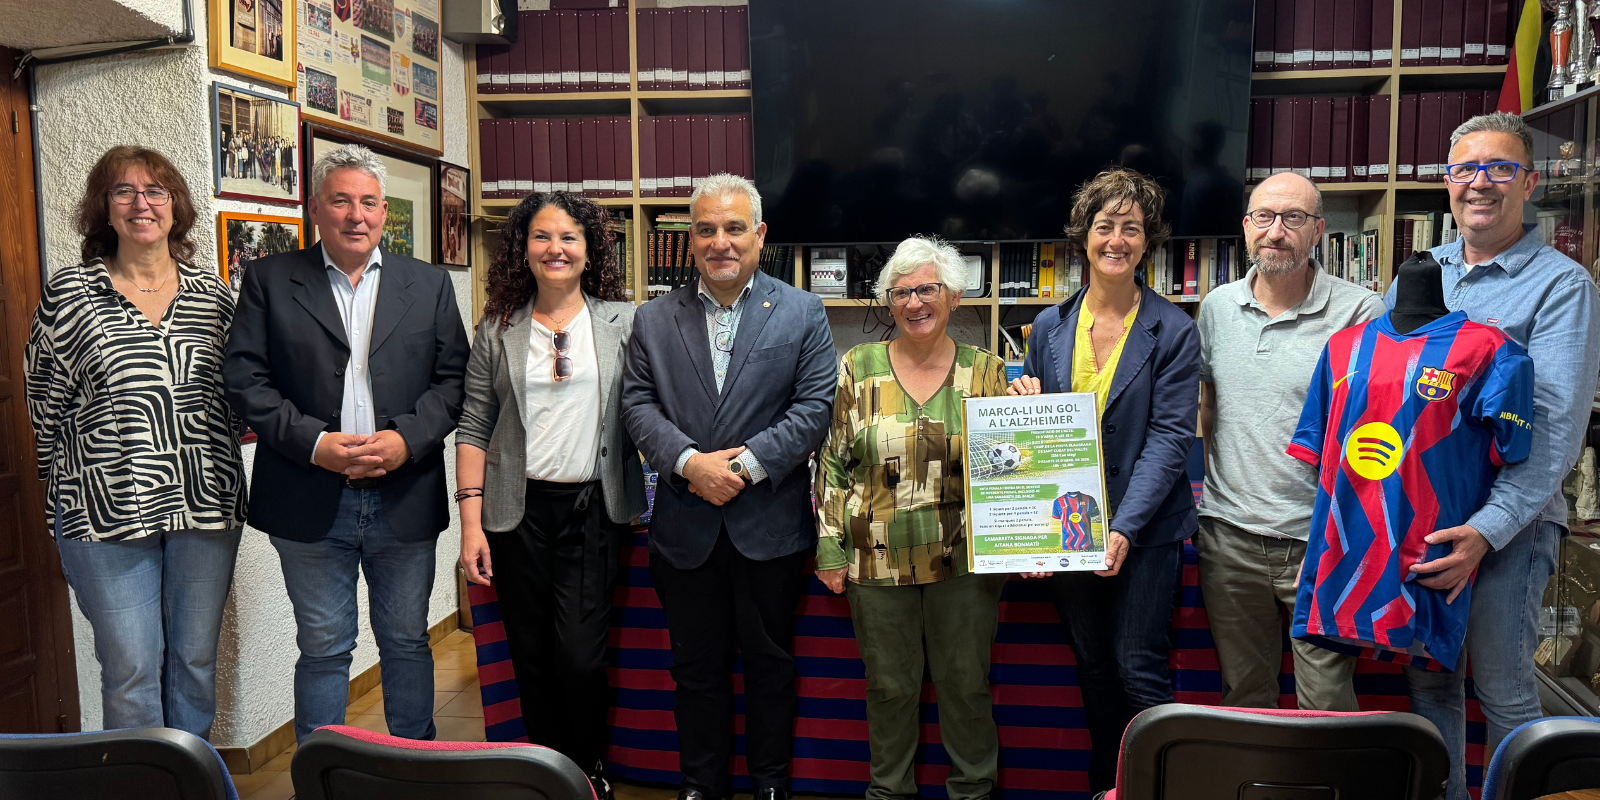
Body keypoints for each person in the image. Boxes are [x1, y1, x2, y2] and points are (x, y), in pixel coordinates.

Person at [222, 143, 469, 742]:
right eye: (340, 200)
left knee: (407, 642)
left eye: (368, 202)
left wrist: (407, 439)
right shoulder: (270, 280)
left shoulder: (428, 284)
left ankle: (414, 771)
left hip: (403, 494)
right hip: (308, 497)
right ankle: (323, 775)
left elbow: (455, 379)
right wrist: (316, 444)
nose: (356, 215)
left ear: (385, 212)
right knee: (325, 647)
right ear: (315, 208)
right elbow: (244, 380)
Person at [1386, 112, 1600, 800]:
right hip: (1427, 515)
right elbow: (1384, 387)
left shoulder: (1563, 286)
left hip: (1510, 527)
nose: (1480, 183)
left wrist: (1487, 530)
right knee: (1430, 682)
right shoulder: (1420, 274)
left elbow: (1558, 426)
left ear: (1530, 183)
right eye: (1464, 169)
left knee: (1503, 688)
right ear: (1447, 183)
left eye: (1499, 168)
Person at [620, 173, 836, 800]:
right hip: (685, 529)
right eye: (706, 229)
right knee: (695, 670)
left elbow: (814, 408)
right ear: (690, 240)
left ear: (760, 235)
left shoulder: (802, 311)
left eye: (734, 227)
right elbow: (637, 404)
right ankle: (701, 786)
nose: (721, 242)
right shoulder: (655, 319)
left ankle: (770, 785)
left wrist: (740, 469)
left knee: (771, 667)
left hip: (767, 525)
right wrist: (690, 464)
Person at [25, 146, 246, 737]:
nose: (141, 203)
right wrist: (69, 488)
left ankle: (191, 780)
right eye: (124, 192)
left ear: (177, 208)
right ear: (105, 210)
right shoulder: (70, 296)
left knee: (196, 663)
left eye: (156, 191)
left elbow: (243, 396)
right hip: (103, 512)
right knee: (130, 669)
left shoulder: (216, 297)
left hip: (206, 505)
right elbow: (43, 404)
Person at [1008, 166, 1200, 795]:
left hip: (1143, 531)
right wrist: (1022, 396)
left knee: (1137, 669)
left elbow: (1172, 439)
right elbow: (1035, 436)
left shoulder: (1173, 330)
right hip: (1067, 528)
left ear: (1150, 243)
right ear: (1082, 237)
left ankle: (1153, 788)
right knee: (1091, 667)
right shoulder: (1047, 327)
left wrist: (1122, 528)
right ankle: (1106, 787)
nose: (1116, 239)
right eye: (1104, 226)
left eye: (1132, 228)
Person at [456, 191, 647, 800]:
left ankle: (587, 771)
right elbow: (474, 425)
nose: (555, 249)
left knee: (581, 658)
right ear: (524, 250)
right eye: (542, 237)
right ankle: (547, 778)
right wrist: (471, 525)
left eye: (569, 238)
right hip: (516, 514)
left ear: (590, 251)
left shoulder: (625, 322)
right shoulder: (497, 329)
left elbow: (647, 409)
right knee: (531, 657)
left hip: (594, 511)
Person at [815, 236, 1010, 800]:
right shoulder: (857, 366)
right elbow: (831, 461)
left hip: (965, 561)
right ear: (888, 301)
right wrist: (830, 549)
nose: (914, 302)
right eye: (900, 292)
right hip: (875, 564)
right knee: (889, 689)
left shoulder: (988, 373)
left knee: (966, 687)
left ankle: (973, 790)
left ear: (952, 296)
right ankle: (889, 792)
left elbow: (1012, 467)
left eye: (927, 288)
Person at [1194, 171, 1384, 711]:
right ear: (1246, 227)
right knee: (1245, 696)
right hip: (1229, 539)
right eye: (1264, 217)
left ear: (1318, 230)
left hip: (1320, 539)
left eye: (1293, 218)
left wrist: (1338, 532)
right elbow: (1209, 406)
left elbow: (1376, 435)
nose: (1276, 231)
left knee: (1326, 702)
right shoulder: (1217, 308)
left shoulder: (1361, 313)